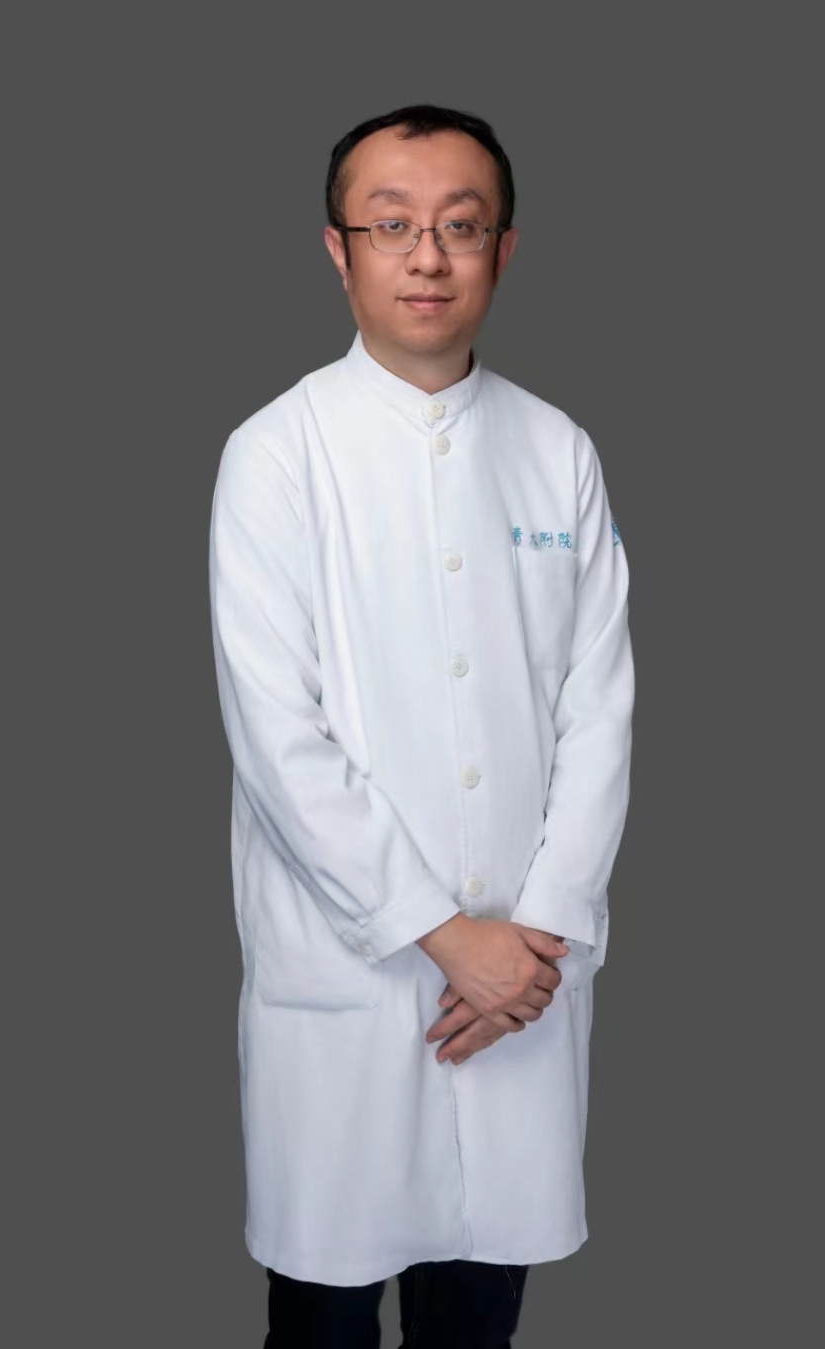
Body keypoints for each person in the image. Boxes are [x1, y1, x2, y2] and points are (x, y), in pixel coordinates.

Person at [208, 103, 635, 1349]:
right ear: (338, 250)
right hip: (353, 985)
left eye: (462, 225)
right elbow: (277, 736)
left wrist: (535, 942)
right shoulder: (277, 454)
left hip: (520, 995)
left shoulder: (557, 450)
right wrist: (452, 940)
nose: (429, 257)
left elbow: (599, 709)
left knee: (479, 1319)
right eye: (392, 226)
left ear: (505, 247)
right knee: (324, 1316)